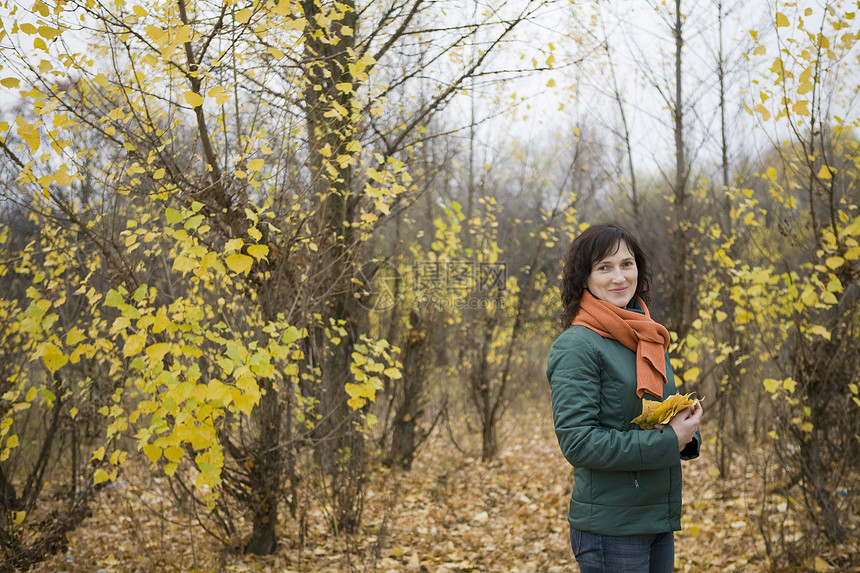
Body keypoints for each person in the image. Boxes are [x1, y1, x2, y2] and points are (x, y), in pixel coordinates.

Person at [546, 222, 702, 573]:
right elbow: (578, 442)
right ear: (584, 278)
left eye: (626, 264)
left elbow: (658, 414)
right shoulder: (577, 345)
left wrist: (686, 428)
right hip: (610, 529)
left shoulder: (647, 334)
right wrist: (668, 440)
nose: (619, 277)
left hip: (656, 518)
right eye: (604, 267)